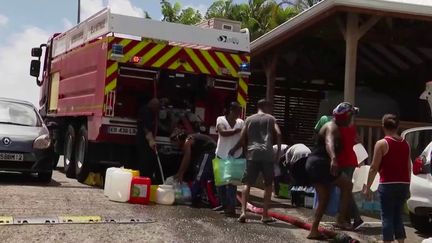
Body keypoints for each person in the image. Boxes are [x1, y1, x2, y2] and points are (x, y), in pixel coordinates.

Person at [305, 102, 355, 240]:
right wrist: (333, 158)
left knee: (324, 198)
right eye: (351, 116)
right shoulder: (332, 127)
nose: (352, 119)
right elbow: (329, 142)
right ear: (346, 116)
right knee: (347, 185)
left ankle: (313, 230)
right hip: (320, 163)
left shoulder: (337, 127)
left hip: (315, 164)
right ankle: (340, 220)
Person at [229, 99, 282, 224]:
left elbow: (242, 139)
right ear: (266, 106)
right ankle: (264, 215)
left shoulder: (249, 119)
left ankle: (243, 213)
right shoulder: (271, 118)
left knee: (247, 184)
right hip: (267, 155)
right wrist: (278, 153)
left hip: (252, 154)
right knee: (268, 185)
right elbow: (278, 133)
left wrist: (234, 149)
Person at [363, 114, 411, 243]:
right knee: (398, 217)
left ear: (383, 126)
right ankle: (401, 241)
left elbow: (373, 167)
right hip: (403, 183)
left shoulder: (382, 144)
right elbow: (408, 166)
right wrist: (409, 185)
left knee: (387, 217)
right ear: (398, 126)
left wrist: (367, 187)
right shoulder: (406, 144)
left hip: (388, 184)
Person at [335, 103, 365, 230]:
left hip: (344, 161)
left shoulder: (339, 127)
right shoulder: (351, 127)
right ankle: (345, 219)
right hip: (350, 161)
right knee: (345, 191)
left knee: (345, 191)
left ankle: (356, 218)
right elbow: (358, 140)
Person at [172, 130, 217, 207]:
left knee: (200, 175)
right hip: (208, 152)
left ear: (178, 139)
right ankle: (200, 197)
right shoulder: (192, 139)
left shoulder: (188, 141)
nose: (175, 145)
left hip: (209, 151)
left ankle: (195, 198)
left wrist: (181, 173)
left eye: (175, 143)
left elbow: (187, 158)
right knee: (202, 174)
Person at [214, 102, 244, 216]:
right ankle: (223, 204)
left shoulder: (241, 122)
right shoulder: (220, 119)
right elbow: (222, 132)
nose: (239, 113)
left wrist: (234, 149)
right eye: (237, 111)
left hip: (236, 155)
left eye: (239, 111)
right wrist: (237, 131)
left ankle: (231, 208)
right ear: (231, 110)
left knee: (232, 184)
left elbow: (243, 139)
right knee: (220, 183)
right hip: (221, 153)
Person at [136, 97, 160, 183]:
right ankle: (143, 179)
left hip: (144, 141)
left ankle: (147, 179)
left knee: (149, 160)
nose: (157, 110)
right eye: (157, 107)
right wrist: (151, 139)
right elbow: (146, 127)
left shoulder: (149, 111)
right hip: (144, 141)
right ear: (153, 106)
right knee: (145, 161)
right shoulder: (146, 112)